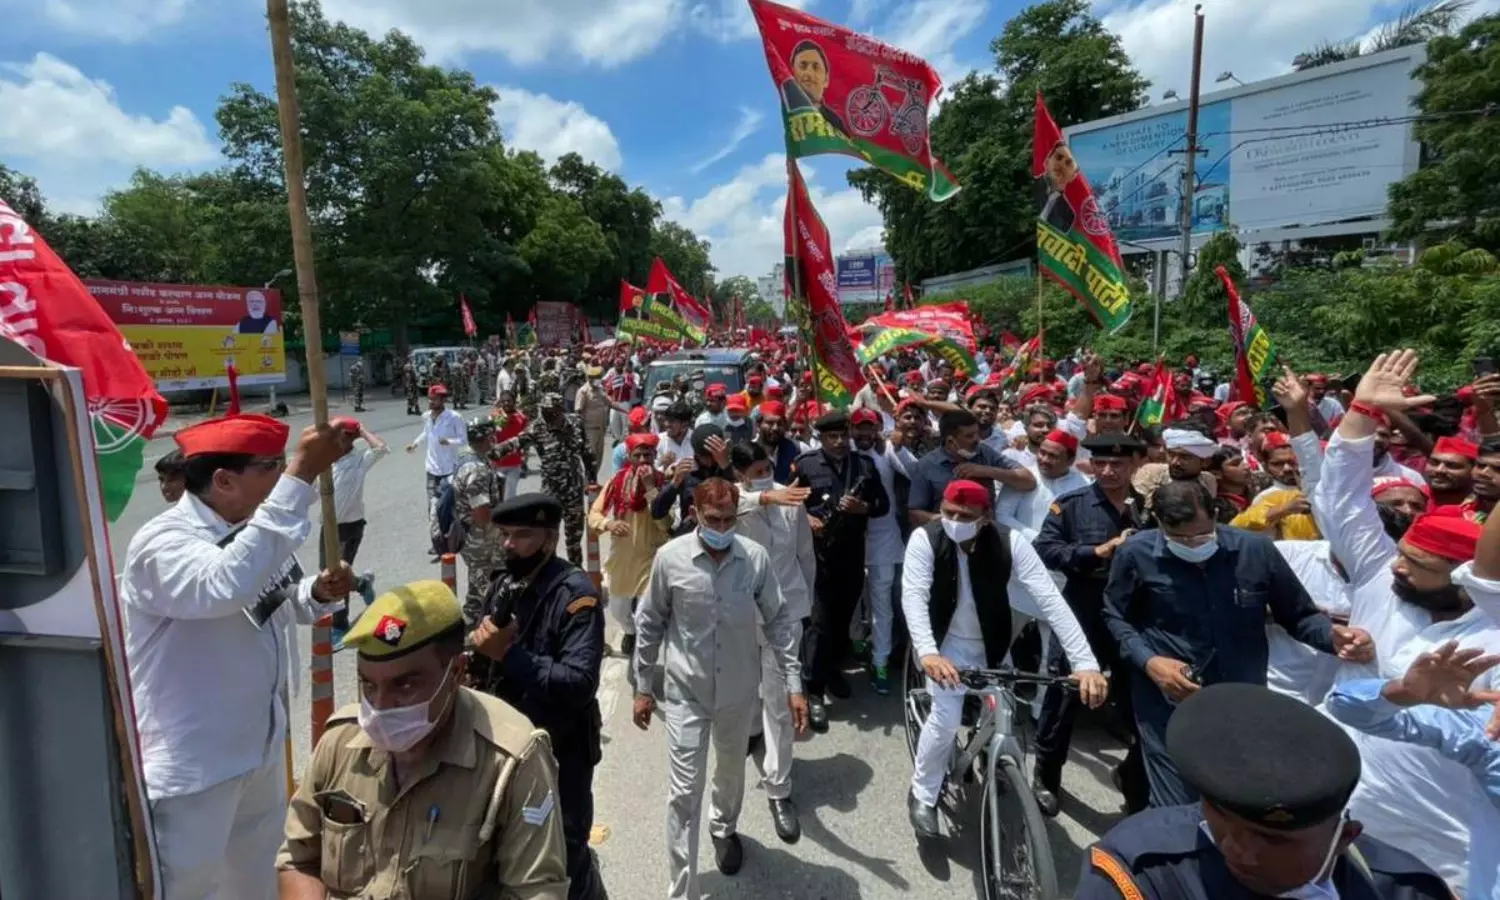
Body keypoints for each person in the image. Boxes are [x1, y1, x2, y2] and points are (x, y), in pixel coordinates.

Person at [120, 414, 356, 900]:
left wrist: (317, 591)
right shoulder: (164, 543)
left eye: (282, 464)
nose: (281, 474)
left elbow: (277, 601)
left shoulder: (252, 530)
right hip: (196, 765)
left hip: (257, 748)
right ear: (224, 481)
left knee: (254, 883)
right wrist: (302, 473)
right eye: (270, 467)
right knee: (184, 890)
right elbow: (223, 586)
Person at [1311, 350, 1500, 888]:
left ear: (1464, 580)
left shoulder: (1490, 636)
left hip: (1443, 842)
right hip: (1333, 806)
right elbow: (1340, 498)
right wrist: (1362, 413)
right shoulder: (1379, 578)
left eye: (1417, 564)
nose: (1398, 565)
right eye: (1402, 553)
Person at [276, 580, 569, 900]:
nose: (381, 707)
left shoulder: (511, 761)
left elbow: (536, 891)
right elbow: (298, 859)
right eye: (368, 685)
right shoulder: (340, 742)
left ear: (456, 672)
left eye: (404, 686)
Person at [1102, 480, 1372, 807]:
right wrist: (1150, 662)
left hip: (1242, 698)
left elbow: (1299, 616)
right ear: (1159, 523)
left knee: (1235, 796)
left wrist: (1333, 637)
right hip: (1167, 698)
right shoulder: (1135, 553)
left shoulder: (1255, 551)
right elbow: (1115, 617)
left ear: (1216, 515)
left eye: (1202, 536)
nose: (1193, 545)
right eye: (1180, 539)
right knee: (1179, 802)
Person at [1076, 683, 1454, 900]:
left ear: (1344, 837)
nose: (1237, 850)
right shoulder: (1143, 871)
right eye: (1220, 820)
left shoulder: (1403, 890)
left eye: (1272, 839)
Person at [633, 478, 808, 900]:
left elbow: (779, 622)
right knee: (683, 793)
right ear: (695, 514)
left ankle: (723, 828)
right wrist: (642, 686)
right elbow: (650, 622)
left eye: (730, 519)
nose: (723, 528)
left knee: (730, 774)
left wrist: (794, 684)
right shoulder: (670, 559)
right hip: (686, 693)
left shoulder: (754, 559)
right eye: (714, 520)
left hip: (738, 693)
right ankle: (683, 891)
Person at [903, 479, 1108, 839]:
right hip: (944, 644)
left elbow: (1050, 599)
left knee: (1002, 713)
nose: (955, 522)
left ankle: (992, 757)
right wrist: (928, 652)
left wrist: (1085, 663)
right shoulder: (926, 538)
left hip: (992, 645)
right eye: (949, 513)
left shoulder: (1010, 542)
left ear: (986, 517)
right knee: (946, 720)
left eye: (966, 516)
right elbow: (914, 596)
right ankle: (923, 792)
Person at [468, 493, 608, 900]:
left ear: (549, 539)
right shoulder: (504, 582)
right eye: (505, 535)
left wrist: (509, 654)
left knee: (564, 853)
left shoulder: (575, 596)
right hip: (507, 744)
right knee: (509, 848)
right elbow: (483, 647)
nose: (509, 544)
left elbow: (579, 683)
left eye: (522, 536)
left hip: (560, 749)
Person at [1033, 434, 1154, 815]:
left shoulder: (1148, 507)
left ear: (1134, 464)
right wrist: (1096, 551)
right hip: (1084, 608)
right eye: (1100, 463)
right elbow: (1045, 549)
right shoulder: (1072, 505)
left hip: (1134, 613)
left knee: (1142, 699)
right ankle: (1046, 774)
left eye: (1117, 464)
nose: (1108, 471)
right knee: (1064, 695)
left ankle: (1133, 777)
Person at [731, 441, 817, 844]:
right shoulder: (734, 499)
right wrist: (763, 497)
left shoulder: (790, 498)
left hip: (786, 612)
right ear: (741, 475)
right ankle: (752, 733)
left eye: (768, 468)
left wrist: (805, 604)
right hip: (740, 614)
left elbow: (805, 555)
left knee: (781, 705)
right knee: (746, 689)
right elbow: (722, 508)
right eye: (757, 472)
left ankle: (779, 789)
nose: (766, 476)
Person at [794, 410, 891, 730]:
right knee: (819, 622)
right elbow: (792, 502)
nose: (838, 442)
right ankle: (814, 689)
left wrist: (864, 507)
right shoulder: (806, 465)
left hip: (851, 553)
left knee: (841, 618)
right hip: (818, 554)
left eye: (842, 436)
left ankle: (831, 669)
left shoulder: (863, 465)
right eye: (831, 436)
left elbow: (883, 505)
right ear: (820, 438)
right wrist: (808, 519)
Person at [589, 433, 672, 662]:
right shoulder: (617, 481)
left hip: (652, 556)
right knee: (619, 610)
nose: (643, 460)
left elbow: (666, 524)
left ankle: (643, 664)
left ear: (655, 456)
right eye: (638, 455)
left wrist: (650, 488)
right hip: (623, 557)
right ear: (629, 457)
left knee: (646, 614)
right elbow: (594, 514)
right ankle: (630, 632)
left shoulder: (664, 482)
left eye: (648, 455)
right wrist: (609, 524)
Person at [493, 393, 598, 565]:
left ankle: (575, 569)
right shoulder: (538, 427)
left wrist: (591, 478)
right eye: (543, 410)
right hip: (551, 490)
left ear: (559, 411)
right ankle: (551, 569)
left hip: (573, 489)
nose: (545, 414)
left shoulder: (575, 424)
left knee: (574, 537)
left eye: (549, 411)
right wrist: (496, 451)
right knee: (548, 534)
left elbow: (587, 452)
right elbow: (517, 442)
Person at [851, 408, 907, 694]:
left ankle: (883, 658)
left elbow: (913, 471)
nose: (864, 433)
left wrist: (899, 446)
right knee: (864, 603)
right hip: (856, 541)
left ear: (877, 429)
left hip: (890, 539)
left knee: (888, 605)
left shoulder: (886, 452)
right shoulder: (845, 454)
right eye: (858, 428)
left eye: (869, 427)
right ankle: (867, 649)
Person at [908, 409, 1037, 526]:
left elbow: (1029, 481)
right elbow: (915, 514)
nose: (977, 439)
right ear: (951, 441)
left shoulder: (985, 453)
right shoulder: (926, 465)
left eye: (977, 433)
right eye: (969, 436)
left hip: (987, 534)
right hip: (945, 536)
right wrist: (955, 522)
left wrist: (986, 471)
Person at [323, 420, 388, 632]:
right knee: (326, 573)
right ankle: (361, 584)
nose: (338, 440)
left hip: (350, 527)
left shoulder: (359, 460)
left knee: (336, 576)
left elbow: (381, 449)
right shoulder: (327, 462)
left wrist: (363, 431)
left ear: (351, 439)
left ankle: (340, 625)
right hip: (328, 526)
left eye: (343, 436)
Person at [452, 418, 505, 624]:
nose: (494, 439)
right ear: (485, 438)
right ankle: (477, 628)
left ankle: (473, 620)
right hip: (481, 540)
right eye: (492, 436)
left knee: (478, 587)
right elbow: (481, 514)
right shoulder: (476, 469)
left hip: (476, 536)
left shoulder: (467, 456)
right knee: (487, 588)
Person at [407, 384, 467, 558]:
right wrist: (415, 444)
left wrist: (449, 441)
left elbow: (463, 440)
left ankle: (454, 537)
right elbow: (426, 433)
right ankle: (437, 542)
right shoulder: (427, 416)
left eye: (435, 399)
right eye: (430, 399)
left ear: (443, 400)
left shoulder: (454, 417)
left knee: (447, 507)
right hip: (432, 469)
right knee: (432, 508)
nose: (431, 402)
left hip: (449, 469)